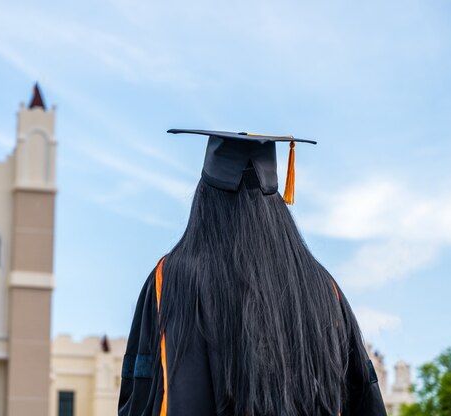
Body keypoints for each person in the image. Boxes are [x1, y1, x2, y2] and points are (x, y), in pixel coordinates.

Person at [118, 129, 387, 416]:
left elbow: (140, 393)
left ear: (204, 199)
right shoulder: (323, 289)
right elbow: (363, 398)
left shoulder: (170, 279)